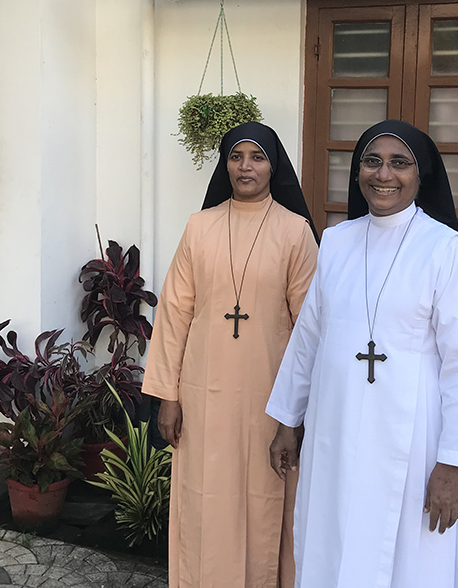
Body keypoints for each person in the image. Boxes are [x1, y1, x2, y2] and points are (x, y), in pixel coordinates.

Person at [266, 119, 458, 588]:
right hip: (335, 428)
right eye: (372, 161)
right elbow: (309, 337)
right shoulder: (338, 241)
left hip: (414, 440)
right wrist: (287, 421)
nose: (384, 174)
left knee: (410, 556)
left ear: (420, 176)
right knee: (333, 536)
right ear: (357, 171)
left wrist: (451, 465)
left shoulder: (447, 250)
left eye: (399, 163)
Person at [143, 121, 319, 588]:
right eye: (236, 156)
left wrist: (297, 412)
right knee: (207, 497)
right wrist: (167, 395)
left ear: (273, 165)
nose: (246, 166)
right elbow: (175, 312)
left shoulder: (296, 232)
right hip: (203, 396)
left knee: (263, 497)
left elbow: (310, 327)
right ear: (225, 164)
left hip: (269, 397)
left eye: (257, 157)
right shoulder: (199, 227)